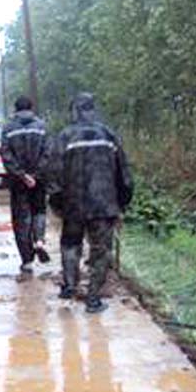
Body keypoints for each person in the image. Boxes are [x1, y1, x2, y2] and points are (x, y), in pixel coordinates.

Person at [50, 92, 133, 313]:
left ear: (74, 110)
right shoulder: (109, 135)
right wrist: (122, 202)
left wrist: (57, 203)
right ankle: (93, 299)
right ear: (92, 109)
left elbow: (54, 173)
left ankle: (69, 286)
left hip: (73, 205)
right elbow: (124, 174)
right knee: (100, 251)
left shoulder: (64, 137)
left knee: (70, 245)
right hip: (104, 205)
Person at [0, 96, 50, 274]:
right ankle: (39, 241)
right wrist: (36, 175)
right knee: (39, 211)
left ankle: (27, 261)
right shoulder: (41, 126)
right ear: (31, 107)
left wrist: (22, 175)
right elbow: (47, 153)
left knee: (22, 220)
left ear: (15, 109)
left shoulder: (8, 128)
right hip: (39, 180)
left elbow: (6, 155)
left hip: (18, 182)